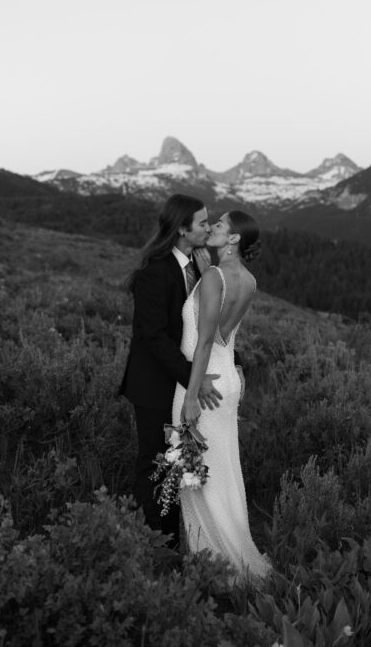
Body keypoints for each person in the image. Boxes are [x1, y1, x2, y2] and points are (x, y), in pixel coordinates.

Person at [120, 194, 222, 549]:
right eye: (203, 223)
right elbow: (154, 337)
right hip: (153, 386)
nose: (209, 227)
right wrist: (193, 377)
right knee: (155, 463)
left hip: (179, 382)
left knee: (177, 462)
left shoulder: (196, 264)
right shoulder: (155, 272)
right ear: (181, 228)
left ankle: (174, 540)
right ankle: (156, 545)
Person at [173, 210, 270, 581]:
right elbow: (226, 333)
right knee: (224, 471)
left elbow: (202, 342)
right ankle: (231, 556)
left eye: (219, 226)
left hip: (204, 380)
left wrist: (192, 393)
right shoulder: (249, 279)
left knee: (199, 475)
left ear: (232, 239)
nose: (211, 228)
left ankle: (217, 569)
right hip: (226, 376)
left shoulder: (215, 276)